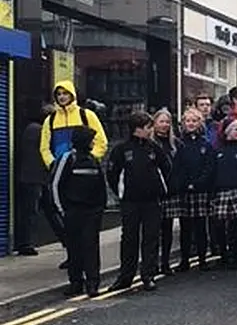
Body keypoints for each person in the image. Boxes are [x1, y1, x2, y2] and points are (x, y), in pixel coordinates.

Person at [106, 112, 171, 292]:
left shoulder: (154, 148)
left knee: (150, 238)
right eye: (148, 127)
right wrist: (121, 193)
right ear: (138, 129)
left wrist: (160, 190)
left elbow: (166, 168)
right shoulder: (121, 150)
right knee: (129, 239)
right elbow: (112, 174)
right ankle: (125, 276)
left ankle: (148, 275)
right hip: (130, 202)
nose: (151, 130)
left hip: (152, 201)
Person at [50, 126, 107, 298]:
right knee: (74, 249)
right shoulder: (67, 158)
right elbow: (55, 185)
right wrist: (62, 209)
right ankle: (76, 282)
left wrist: (100, 209)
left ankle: (92, 283)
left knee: (91, 248)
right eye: (90, 140)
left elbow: (101, 187)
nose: (92, 143)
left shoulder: (93, 159)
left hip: (91, 212)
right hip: (73, 211)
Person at [172, 108, 214, 272]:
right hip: (184, 190)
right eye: (188, 121)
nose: (191, 124)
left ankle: (203, 259)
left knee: (200, 227)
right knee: (185, 227)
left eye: (194, 121)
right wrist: (184, 184)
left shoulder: (206, 145)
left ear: (200, 123)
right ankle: (184, 260)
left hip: (200, 190)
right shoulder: (179, 144)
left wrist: (198, 183)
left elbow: (209, 168)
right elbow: (177, 167)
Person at [210, 118, 237, 269]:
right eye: (236, 129)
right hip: (220, 191)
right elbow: (212, 171)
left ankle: (235, 256)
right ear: (227, 131)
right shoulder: (217, 151)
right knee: (219, 226)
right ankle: (223, 255)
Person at [14, 104, 58, 256]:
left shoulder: (32, 129)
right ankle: (24, 244)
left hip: (36, 177)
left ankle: (66, 239)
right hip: (34, 178)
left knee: (50, 210)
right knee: (32, 212)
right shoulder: (38, 130)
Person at [40, 80, 108, 170]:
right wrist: (52, 163)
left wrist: (90, 159)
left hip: (84, 168)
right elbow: (44, 147)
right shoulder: (50, 120)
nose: (62, 97)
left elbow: (101, 142)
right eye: (59, 94)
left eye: (65, 93)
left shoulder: (86, 115)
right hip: (60, 169)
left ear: (72, 95)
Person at [152, 108, 183, 275]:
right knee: (154, 231)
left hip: (171, 191)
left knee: (167, 229)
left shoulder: (175, 143)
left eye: (167, 122)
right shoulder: (150, 143)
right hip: (156, 192)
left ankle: (165, 262)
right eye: (161, 121)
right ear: (154, 123)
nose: (164, 125)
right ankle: (153, 263)